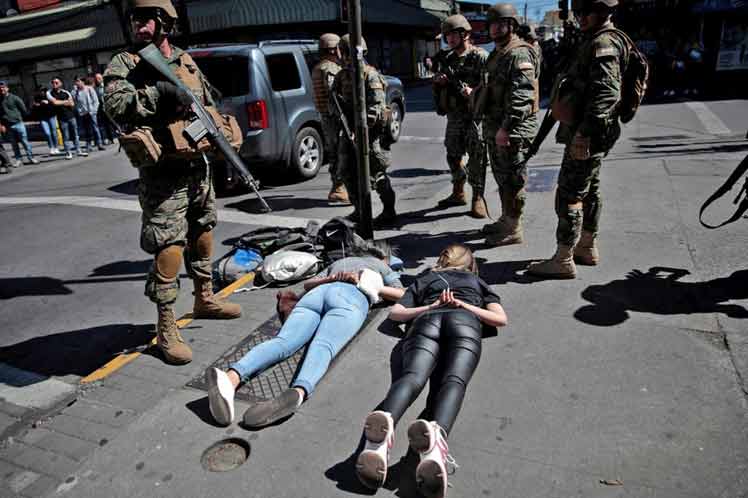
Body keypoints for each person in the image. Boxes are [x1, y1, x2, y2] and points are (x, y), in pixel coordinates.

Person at [103, 0, 242, 365]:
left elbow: (208, 100)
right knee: (169, 246)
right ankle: (166, 327)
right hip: (163, 173)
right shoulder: (126, 63)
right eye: (135, 19)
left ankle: (204, 297)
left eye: (147, 19)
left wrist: (219, 132)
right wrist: (159, 94)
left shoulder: (184, 59)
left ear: (166, 23)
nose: (140, 25)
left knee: (204, 230)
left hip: (198, 166)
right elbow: (115, 106)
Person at [354, 244, 507, 497]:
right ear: (471, 265)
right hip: (465, 323)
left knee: (412, 377)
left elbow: (397, 314)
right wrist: (464, 305)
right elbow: (500, 319)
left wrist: (431, 306)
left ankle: (383, 431)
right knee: (453, 382)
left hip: (426, 322)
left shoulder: (426, 278)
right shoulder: (477, 282)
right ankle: (436, 444)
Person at [206, 243, 405, 427]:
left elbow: (308, 285)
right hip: (352, 297)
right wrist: (371, 285)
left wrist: (333, 278)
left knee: (284, 342)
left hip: (315, 296)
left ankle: (230, 378)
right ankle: (299, 391)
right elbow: (401, 293)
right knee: (323, 346)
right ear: (383, 258)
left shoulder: (340, 262)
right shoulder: (380, 266)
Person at [527, 0, 628, 278]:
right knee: (590, 189)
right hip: (590, 131)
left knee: (569, 194)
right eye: (579, 12)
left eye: (587, 12)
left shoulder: (603, 44)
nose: (581, 17)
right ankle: (586, 246)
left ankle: (563, 258)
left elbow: (607, 93)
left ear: (604, 12)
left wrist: (584, 135)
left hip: (588, 133)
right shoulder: (596, 39)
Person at [479, 4, 540, 247]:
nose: (494, 28)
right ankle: (507, 218)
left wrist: (507, 127)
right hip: (497, 126)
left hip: (512, 129)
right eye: (491, 24)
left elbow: (522, 96)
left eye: (499, 23)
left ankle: (514, 228)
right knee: (503, 177)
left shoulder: (519, 54)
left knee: (513, 179)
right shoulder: (498, 53)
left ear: (511, 25)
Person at [331, 34, 397, 226]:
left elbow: (376, 108)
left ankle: (388, 210)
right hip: (349, 129)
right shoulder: (342, 75)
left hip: (370, 133)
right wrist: (340, 117)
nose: (342, 56)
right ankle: (359, 210)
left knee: (377, 173)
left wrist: (361, 129)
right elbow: (333, 101)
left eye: (343, 52)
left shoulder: (370, 75)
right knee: (346, 171)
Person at [432, 15, 489, 218]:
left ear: (464, 34)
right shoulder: (447, 59)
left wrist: (473, 92)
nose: (449, 39)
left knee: (477, 158)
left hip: (475, 117)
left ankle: (478, 198)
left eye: (452, 35)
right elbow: (439, 88)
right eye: (447, 36)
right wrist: (438, 82)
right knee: (453, 155)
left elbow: (490, 88)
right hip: (455, 116)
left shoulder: (480, 57)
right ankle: (458, 192)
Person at [312, 33, 349, 204]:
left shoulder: (318, 67)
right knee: (339, 153)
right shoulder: (330, 69)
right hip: (334, 117)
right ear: (334, 50)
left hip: (326, 116)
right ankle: (339, 188)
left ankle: (339, 187)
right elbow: (334, 95)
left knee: (335, 152)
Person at [0, 81, 40, 167]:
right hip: (8, 125)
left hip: (18, 123)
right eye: (0, 87)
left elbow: (23, 109)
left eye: (3, 87)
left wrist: (20, 118)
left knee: (25, 142)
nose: (1, 89)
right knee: (14, 144)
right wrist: (2, 125)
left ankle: (31, 157)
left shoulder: (14, 98)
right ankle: (18, 160)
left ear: (7, 88)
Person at [48, 77, 84, 160]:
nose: (54, 84)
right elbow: (55, 102)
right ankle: (68, 152)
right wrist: (65, 102)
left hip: (71, 116)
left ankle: (78, 150)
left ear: (61, 83)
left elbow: (71, 104)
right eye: (53, 82)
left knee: (75, 135)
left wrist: (61, 102)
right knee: (66, 136)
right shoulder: (50, 93)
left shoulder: (66, 92)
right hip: (61, 118)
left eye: (56, 82)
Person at [72, 75, 105, 152]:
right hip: (83, 113)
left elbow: (96, 101)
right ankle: (89, 145)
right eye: (76, 82)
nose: (77, 83)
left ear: (82, 81)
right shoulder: (76, 92)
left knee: (95, 128)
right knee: (86, 130)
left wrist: (94, 111)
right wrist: (79, 111)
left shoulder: (89, 89)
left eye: (78, 81)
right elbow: (74, 102)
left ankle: (99, 144)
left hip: (91, 112)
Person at [31, 86, 61, 155]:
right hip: (43, 118)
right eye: (40, 91)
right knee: (47, 133)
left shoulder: (49, 96)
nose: (42, 92)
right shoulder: (36, 98)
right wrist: (37, 105)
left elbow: (55, 103)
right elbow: (34, 107)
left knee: (54, 132)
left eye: (43, 91)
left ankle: (56, 147)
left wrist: (48, 102)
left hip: (51, 116)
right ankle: (51, 148)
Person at [94, 73, 117, 145]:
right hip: (103, 108)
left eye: (99, 78)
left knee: (114, 122)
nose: (98, 80)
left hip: (110, 106)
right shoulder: (96, 88)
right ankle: (110, 139)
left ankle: (120, 133)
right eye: (96, 79)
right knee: (107, 124)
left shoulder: (107, 85)